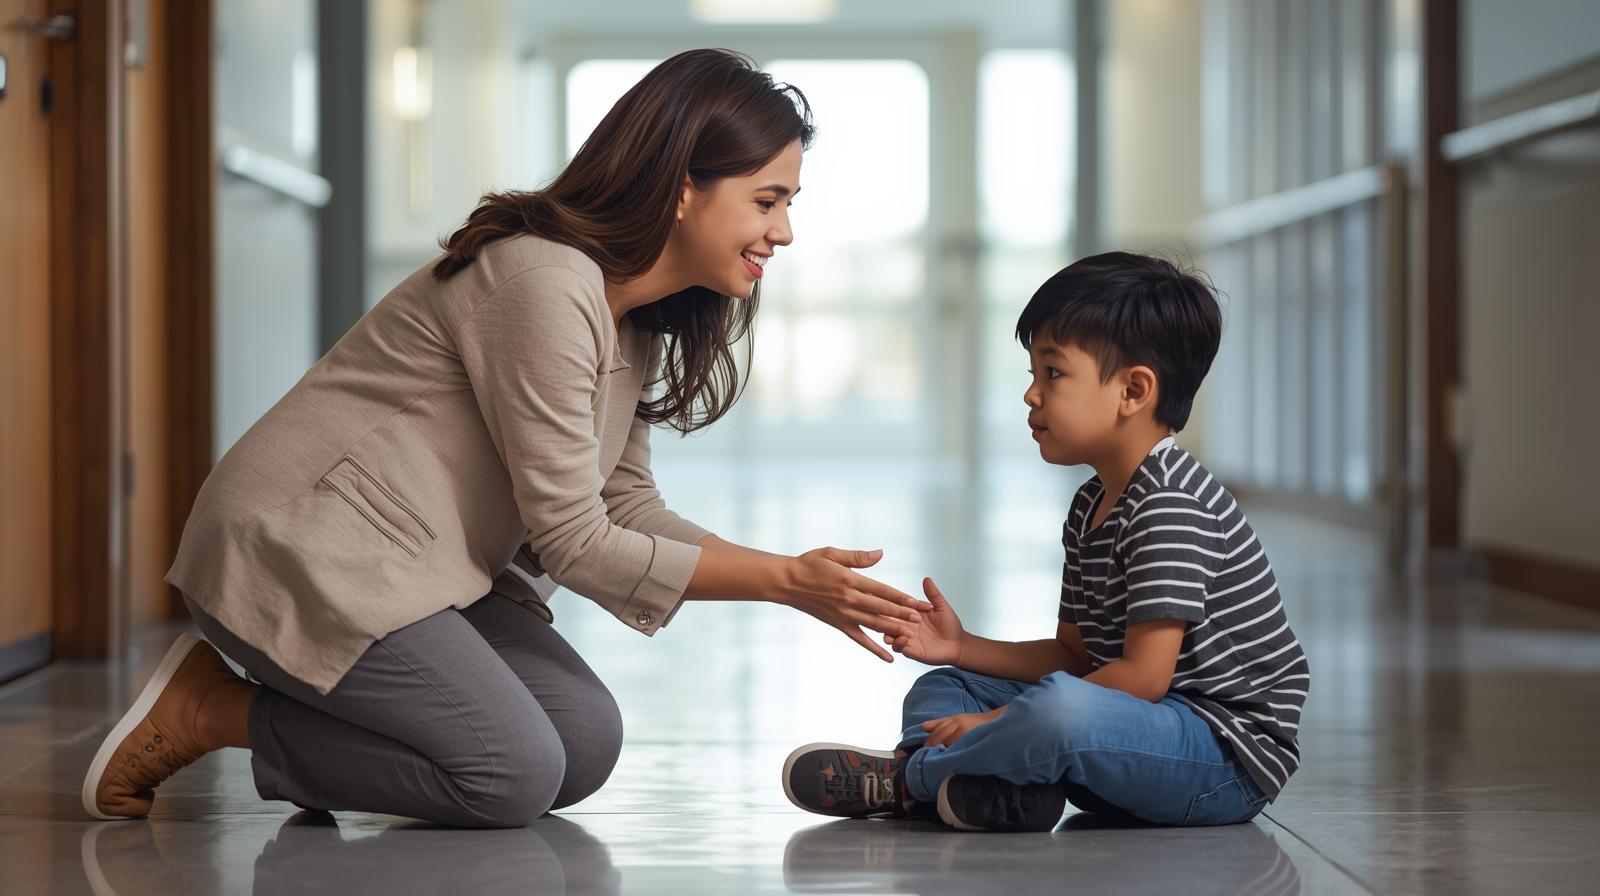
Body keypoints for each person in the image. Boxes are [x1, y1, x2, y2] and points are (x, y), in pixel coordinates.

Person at [83, 48, 930, 829]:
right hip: (302, 550)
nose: (782, 232)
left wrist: (795, 575)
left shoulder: (633, 317)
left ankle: (340, 741)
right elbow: (574, 540)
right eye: (767, 201)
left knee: (583, 742)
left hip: (417, 569)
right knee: (510, 774)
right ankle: (207, 708)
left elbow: (622, 502)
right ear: (682, 187)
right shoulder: (545, 281)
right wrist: (785, 583)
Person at [782, 252, 1310, 832]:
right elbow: (1075, 656)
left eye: (1053, 374)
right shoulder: (1092, 502)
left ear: (1133, 390)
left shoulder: (1170, 503)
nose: (1032, 395)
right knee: (946, 685)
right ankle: (993, 787)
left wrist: (1002, 720)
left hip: (1220, 761)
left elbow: (1143, 678)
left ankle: (910, 781)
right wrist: (962, 648)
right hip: (1131, 730)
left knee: (1059, 708)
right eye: (1032, 374)